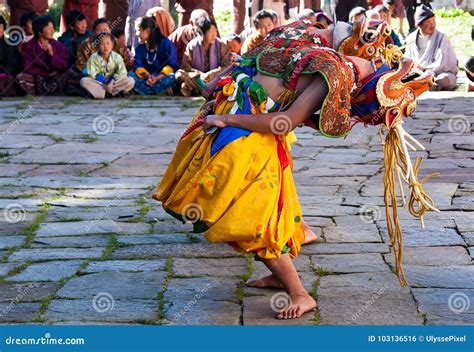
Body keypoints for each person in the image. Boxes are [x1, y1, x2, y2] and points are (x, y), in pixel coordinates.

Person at [153, 19, 435, 319]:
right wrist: (223, 112)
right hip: (245, 128)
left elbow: (282, 120)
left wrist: (225, 118)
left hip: (248, 132)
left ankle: (299, 294)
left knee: (249, 217)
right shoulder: (332, 64)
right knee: (258, 213)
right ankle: (281, 277)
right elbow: (281, 115)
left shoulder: (315, 45)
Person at [405, 5, 458, 91]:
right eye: (428, 22)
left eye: (434, 21)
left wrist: (428, 70)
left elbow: (442, 62)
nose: (432, 25)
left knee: (445, 80)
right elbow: (408, 60)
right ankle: (426, 84)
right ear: (419, 24)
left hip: (439, 73)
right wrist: (418, 70)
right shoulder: (411, 38)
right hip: (418, 73)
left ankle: (427, 84)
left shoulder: (441, 37)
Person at [17, 15, 70, 96]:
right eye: (49, 28)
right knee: (21, 78)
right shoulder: (29, 46)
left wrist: (52, 55)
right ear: (39, 32)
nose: (52, 31)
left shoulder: (58, 45)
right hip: (37, 77)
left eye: (53, 28)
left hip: (56, 76)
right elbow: (27, 67)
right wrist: (45, 73)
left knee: (71, 75)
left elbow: (65, 64)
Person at [177, 18, 231, 96]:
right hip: (197, 78)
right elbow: (185, 66)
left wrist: (211, 74)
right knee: (179, 74)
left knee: (225, 77)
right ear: (202, 33)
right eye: (210, 32)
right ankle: (201, 88)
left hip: (214, 78)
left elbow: (227, 66)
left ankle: (191, 87)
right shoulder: (192, 46)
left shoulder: (221, 45)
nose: (214, 35)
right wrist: (199, 74)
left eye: (215, 31)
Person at [129, 17, 179, 95]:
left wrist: (157, 78)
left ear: (148, 30)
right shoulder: (140, 48)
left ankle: (146, 91)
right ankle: (162, 91)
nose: (136, 34)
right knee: (130, 76)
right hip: (146, 79)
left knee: (172, 77)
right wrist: (148, 76)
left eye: (138, 30)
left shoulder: (166, 44)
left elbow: (172, 65)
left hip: (162, 78)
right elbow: (138, 66)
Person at [80, 33, 134, 99]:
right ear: (97, 46)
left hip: (114, 82)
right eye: (102, 44)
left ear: (112, 45)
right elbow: (91, 73)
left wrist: (113, 80)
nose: (105, 46)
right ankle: (106, 93)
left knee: (130, 81)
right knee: (83, 81)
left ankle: (112, 91)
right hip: (100, 83)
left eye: (108, 43)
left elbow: (122, 72)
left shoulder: (117, 57)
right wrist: (104, 80)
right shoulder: (93, 57)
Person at [0, 15, 21, 96]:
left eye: (1, 27)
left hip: (6, 73)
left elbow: (12, 62)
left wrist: (4, 73)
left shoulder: (9, 44)